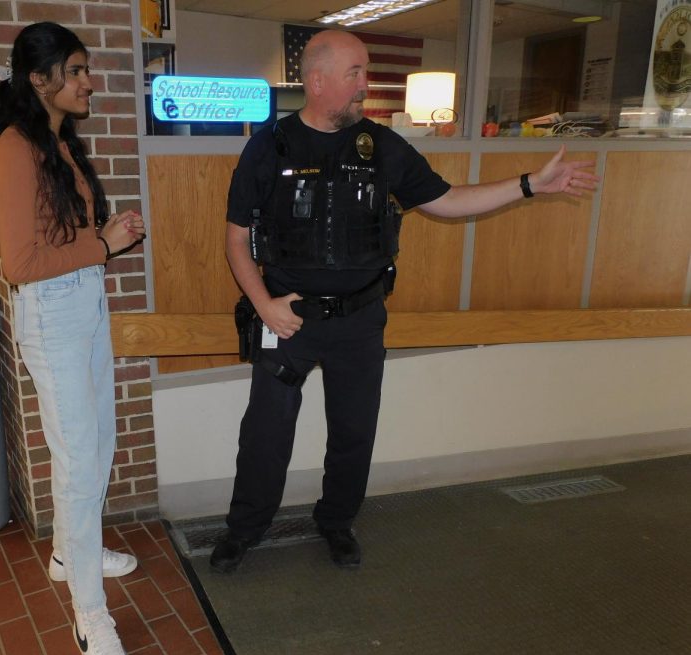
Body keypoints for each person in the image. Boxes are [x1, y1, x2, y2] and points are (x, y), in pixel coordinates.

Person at [211, 29, 599, 574]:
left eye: (366, 72)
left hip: (360, 320)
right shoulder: (267, 147)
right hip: (287, 317)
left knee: (353, 431)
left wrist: (531, 183)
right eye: (355, 74)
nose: (365, 86)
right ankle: (244, 530)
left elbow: (447, 200)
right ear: (317, 82)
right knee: (265, 434)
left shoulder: (382, 146)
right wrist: (265, 305)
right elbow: (235, 238)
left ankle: (337, 523)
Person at [0, 22, 145, 655]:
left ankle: (73, 553)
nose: (87, 81)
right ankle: (91, 616)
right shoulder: (15, 149)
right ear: (38, 79)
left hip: (82, 301)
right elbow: (20, 262)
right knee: (75, 460)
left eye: (85, 69)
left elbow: (61, 240)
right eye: (75, 71)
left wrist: (104, 234)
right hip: (53, 313)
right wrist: (105, 245)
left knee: (98, 441)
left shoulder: (54, 142)